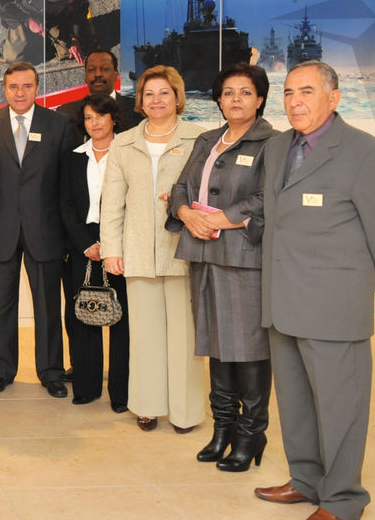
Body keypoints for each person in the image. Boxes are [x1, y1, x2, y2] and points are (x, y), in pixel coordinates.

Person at [253, 61, 375, 520]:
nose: (295, 101)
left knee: (342, 408)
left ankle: (343, 499)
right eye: (290, 92)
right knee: (295, 402)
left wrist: (353, 286)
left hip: (334, 306)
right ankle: (307, 479)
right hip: (283, 301)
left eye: (307, 92)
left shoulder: (365, 153)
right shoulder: (279, 147)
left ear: (333, 98)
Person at [167, 64, 273, 471]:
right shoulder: (207, 139)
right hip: (202, 254)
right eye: (228, 92)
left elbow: (267, 197)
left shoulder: (271, 143)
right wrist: (184, 212)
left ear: (260, 99)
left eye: (245, 93)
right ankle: (223, 429)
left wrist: (219, 218)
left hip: (243, 259)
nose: (236, 100)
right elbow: (181, 186)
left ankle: (251, 434)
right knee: (214, 344)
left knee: (247, 348)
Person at [101, 65, 205, 432]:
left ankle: (185, 412)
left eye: (164, 93)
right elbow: (112, 203)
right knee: (144, 336)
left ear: (178, 98)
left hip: (184, 251)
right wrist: (112, 249)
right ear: (140, 102)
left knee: (184, 337)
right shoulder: (124, 143)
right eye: (149, 94)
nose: (156, 100)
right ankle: (146, 405)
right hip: (138, 252)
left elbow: (210, 196)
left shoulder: (201, 139)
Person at [0, 62, 72, 398]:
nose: (20, 93)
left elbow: (67, 186)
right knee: (0, 304)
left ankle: (51, 372)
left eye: (27, 86)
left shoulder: (59, 125)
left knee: (48, 306)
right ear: (4, 89)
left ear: (36, 88)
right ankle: (1, 370)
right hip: (0, 229)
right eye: (13, 87)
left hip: (45, 231)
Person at [60, 94, 130, 410]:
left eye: (100, 116)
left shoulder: (129, 152)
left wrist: (113, 243)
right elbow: (65, 205)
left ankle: (121, 393)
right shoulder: (73, 156)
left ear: (113, 118)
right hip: (83, 243)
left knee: (120, 321)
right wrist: (86, 244)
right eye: (89, 118)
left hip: (121, 241)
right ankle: (87, 388)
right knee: (85, 315)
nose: (95, 123)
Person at [57, 49, 138, 137]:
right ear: (85, 77)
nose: (98, 74)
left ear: (116, 75)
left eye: (105, 69)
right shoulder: (66, 113)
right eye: (91, 70)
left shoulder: (137, 109)